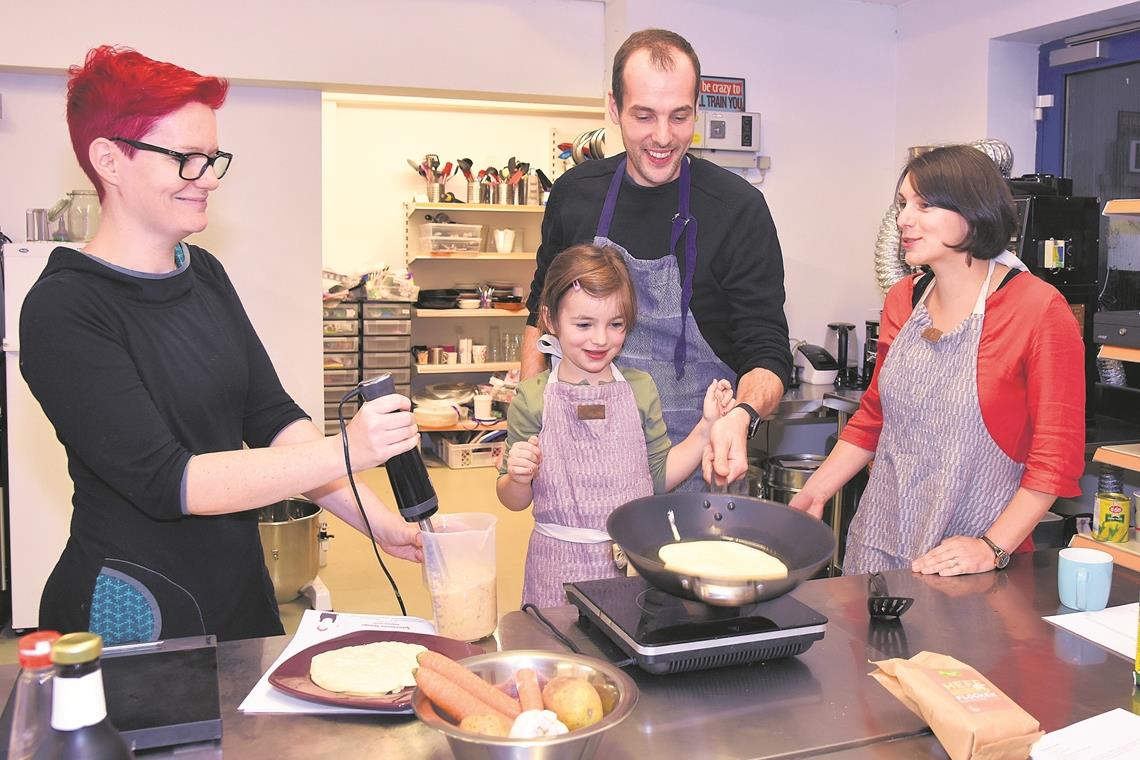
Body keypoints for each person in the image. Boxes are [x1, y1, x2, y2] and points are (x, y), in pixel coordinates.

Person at [20, 46, 422, 643]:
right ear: (108, 160)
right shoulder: (63, 309)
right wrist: (347, 449)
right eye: (185, 158)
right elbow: (172, 480)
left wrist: (380, 522)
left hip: (235, 583)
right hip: (135, 605)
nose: (207, 178)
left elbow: (270, 416)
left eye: (211, 159)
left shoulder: (201, 272)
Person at [788, 145, 1085, 576]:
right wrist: (815, 493)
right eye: (904, 204)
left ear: (974, 211)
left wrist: (992, 548)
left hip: (968, 556)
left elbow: (1055, 458)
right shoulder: (903, 299)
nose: (905, 219)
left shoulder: (1038, 309)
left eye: (924, 205)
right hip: (879, 539)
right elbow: (874, 417)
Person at [520, 29, 791, 491]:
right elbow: (539, 314)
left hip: (698, 463)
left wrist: (740, 417)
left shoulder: (736, 208)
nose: (663, 137)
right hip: (583, 456)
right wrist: (530, 418)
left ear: (696, 109)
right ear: (613, 107)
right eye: (644, 116)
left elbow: (766, 349)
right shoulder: (574, 195)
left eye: (680, 116)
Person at [497, 244, 733, 607]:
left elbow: (657, 476)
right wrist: (517, 477)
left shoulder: (640, 388)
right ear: (550, 318)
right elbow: (513, 500)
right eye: (583, 324)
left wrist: (706, 428)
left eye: (616, 324)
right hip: (555, 570)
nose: (601, 339)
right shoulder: (532, 397)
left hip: (629, 570)